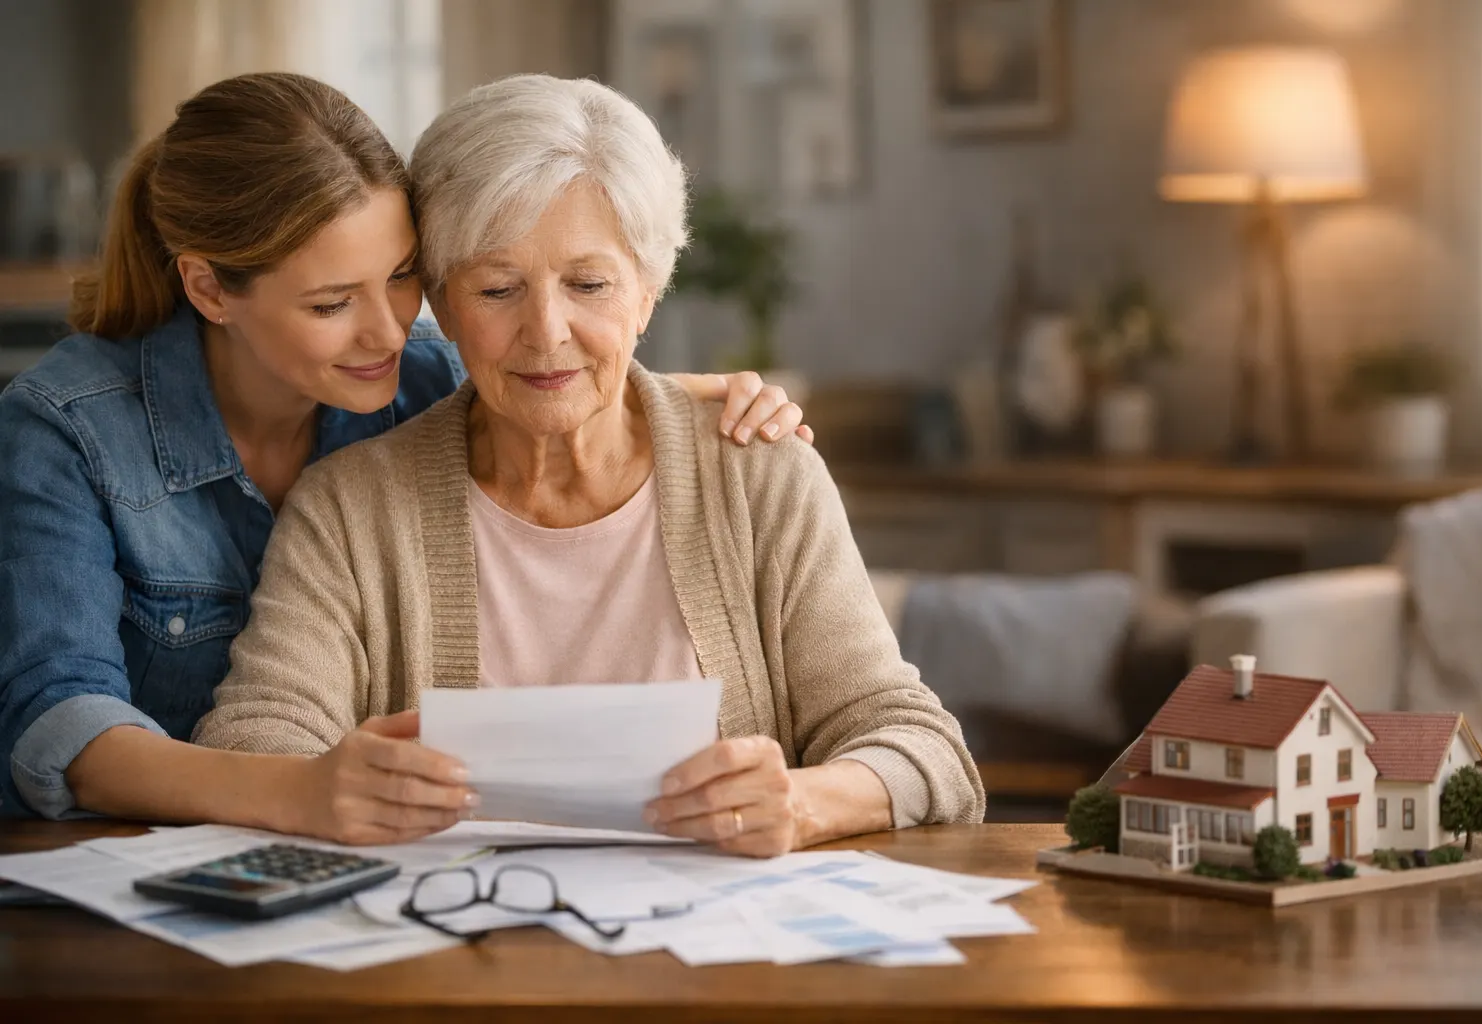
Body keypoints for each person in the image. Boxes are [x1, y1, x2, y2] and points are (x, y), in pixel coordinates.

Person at [195, 73, 984, 855]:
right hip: (445, 928)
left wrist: (803, 802)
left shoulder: (759, 475)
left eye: (589, 284)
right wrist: (335, 782)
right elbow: (253, 738)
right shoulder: (349, 506)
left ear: (647, 292)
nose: (547, 331)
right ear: (440, 300)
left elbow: (921, 748)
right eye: (497, 289)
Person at [0, 72, 811, 823]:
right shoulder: (64, 429)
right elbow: (57, 721)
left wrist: (688, 402)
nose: (389, 332)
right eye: (331, 304)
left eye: (400, 277)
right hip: (120, 857)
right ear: (210, 288)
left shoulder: (419, 375)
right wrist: (302, 787)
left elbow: (548, 369)